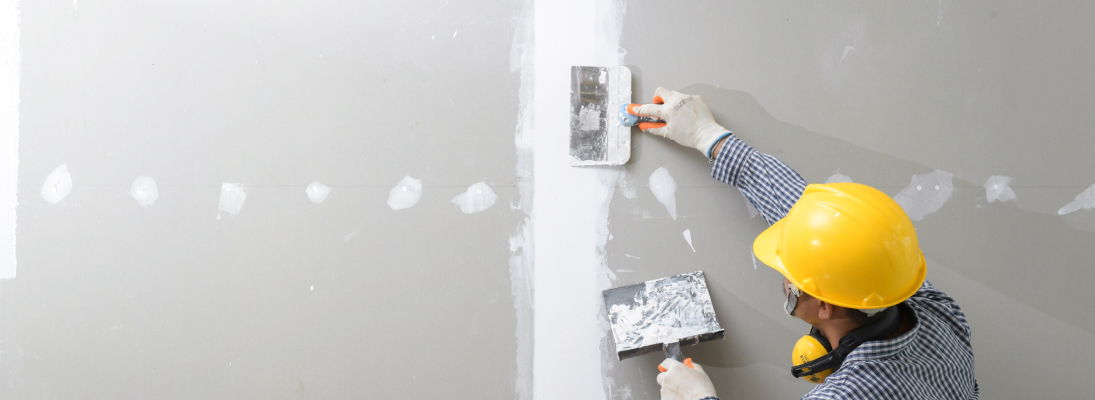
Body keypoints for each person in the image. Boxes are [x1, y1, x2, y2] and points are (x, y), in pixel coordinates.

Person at [635, 88, 978, 400]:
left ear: (824, 307)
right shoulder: (935, 310)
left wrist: (698, 398)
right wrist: (708, 136)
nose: (784, 276)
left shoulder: (848, 394)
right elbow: (821, 223)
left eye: (790, 273)